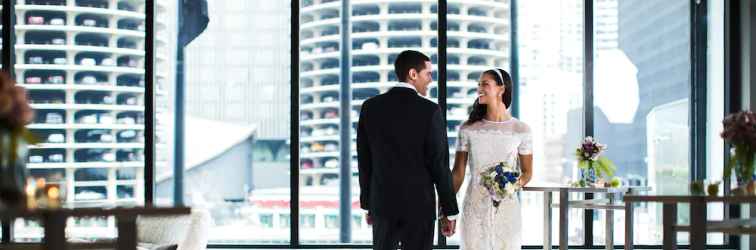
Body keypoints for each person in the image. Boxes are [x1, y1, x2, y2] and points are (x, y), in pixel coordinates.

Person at [357, 50, 459, 250]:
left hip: (382, 204)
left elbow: (365, 161)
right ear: (413, 74)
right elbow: (438, 164)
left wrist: (368, 203)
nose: (430, 80)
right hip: (419, 206)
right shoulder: (430, 110)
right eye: (428, 74)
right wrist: (449, 210)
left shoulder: (370, 108)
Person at [451, 68, 534, 250]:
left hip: (507, 209)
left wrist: (509, 185)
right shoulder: (468, 129)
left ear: (501, 89)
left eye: (485, 84)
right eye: (479, 84)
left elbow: (527, 173)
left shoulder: (521, 130)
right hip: (474, 210)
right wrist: (447, 209)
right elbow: (458, 173)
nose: (479, 88)